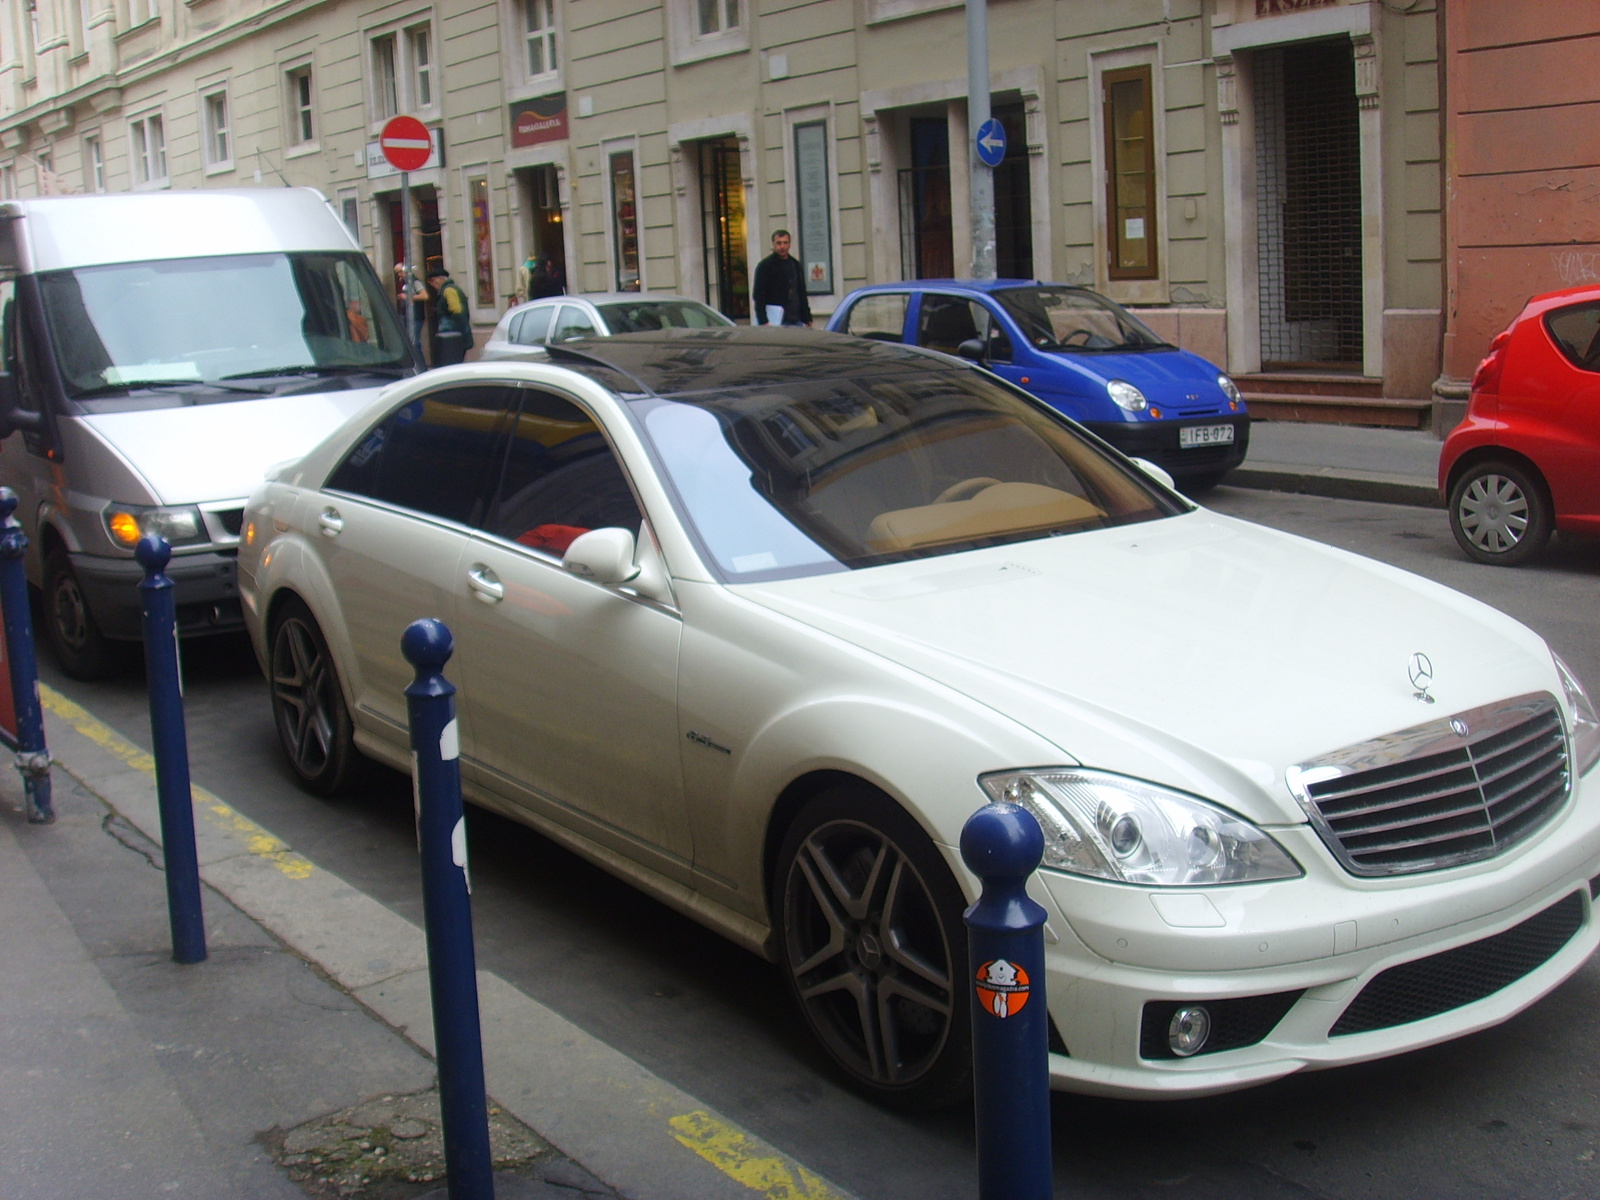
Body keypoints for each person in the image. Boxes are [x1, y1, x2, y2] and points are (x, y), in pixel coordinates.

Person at [751, 229, 811, 327]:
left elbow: (802, 293)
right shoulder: (765, 266)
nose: (782, 246)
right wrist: (763, 321)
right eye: (779, 243)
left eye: (785, 243)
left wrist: (807, 318)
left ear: (789, 244)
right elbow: (759, 296)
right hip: (776, 321)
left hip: (796, 319)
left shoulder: (795, 265)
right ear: (773, 244)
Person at [427, 267, 473, 367]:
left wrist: (460, 333)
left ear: (441, 278)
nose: (431, 284)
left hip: (453, 336)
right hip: (455, 335)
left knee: (452, 364)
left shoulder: (448, 290)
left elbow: (456, 310)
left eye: (432, 280)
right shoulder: (448, 290)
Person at [393, 262, 427, 356]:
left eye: (400, 272)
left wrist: (407, 297)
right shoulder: (406, 283)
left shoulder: (415, 282)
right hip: (408, 315)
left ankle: (420, 364)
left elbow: (424, 296)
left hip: (416, 316)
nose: (399, 275)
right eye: (397, 273)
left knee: (414, 342)